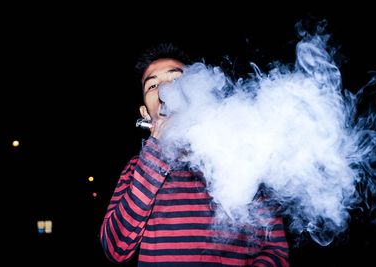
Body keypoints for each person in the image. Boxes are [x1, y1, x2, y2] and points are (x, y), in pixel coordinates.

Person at [100, 43, 290, 266]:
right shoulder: (136, 169)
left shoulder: (240, 157)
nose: (164, 91)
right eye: (152, 86)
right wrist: (154, 155)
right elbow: (114, 249)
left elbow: (275, 250)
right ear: (145, 112)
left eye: (176, 80)